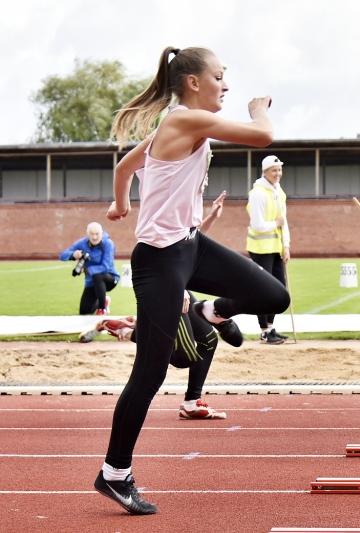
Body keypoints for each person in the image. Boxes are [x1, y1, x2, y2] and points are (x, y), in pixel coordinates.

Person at [96, 46, 290, 515]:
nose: (226, 85)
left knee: (273, 295)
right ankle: (114, 473)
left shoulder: (178, 125)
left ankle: (209, 311)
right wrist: (259, 110)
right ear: (194, 83)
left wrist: (122, 203)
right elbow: (263, 137)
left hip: (190, 246)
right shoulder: (184, 120)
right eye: (220, 77)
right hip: (159, 262)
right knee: (152, 370)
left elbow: (125, 169)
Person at [81, 191, 242, 420]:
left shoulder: (184, 208)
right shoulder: (168, 208)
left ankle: (191, 402)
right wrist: (179, 289)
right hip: (167, 290)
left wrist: (212, 216)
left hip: (177, 288)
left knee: (208, 340)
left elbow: (191, 243)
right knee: (183, 357)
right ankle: (129, 331)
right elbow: (163, 257)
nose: (202, 182)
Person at [246, 154, 291, 344]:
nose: (278, 173)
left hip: (275, 248)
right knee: (262, 290)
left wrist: (286, 245)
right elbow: (257, 225)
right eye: (274, 170)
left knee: (279, 289)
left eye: (279, 169)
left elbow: (284, 222)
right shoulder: (257, 194)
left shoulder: (279, 193)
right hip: (260, 248)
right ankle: (264, 330)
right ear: (265, 172)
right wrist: (275, 223)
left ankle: (271, 327)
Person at [60, 223, 120, 314]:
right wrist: (73, 254)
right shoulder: (82, 243)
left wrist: (86, 270)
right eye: (92, 234)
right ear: (87, 233)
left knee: (97, 276)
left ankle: (102, 309)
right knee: (84, 312)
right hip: (91, 281)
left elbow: (105, 267)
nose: (95, 237)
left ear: (102, 233)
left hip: (109, 278)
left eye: (97, 234)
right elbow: (62, 255)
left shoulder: (108, 244)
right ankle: (104, 301)